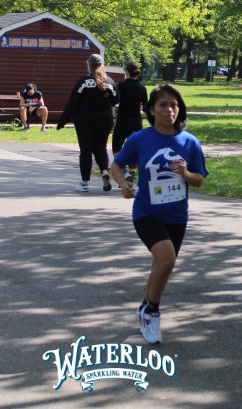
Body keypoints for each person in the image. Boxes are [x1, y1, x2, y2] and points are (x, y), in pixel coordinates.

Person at [110, 83, 207, 344]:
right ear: (151, 110)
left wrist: (186, 173)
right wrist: (123, 184)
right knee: (166, 259)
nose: (169, 110)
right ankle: (152, 312)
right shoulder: (140, 139)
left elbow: (199, 180)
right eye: (163, 105)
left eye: (174, 105)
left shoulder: (189, 142)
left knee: (161, 264)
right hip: (146, 212)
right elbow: (116, 165)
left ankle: (145, 306)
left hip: (177, 215)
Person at [58, 54, 119, 192]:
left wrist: (63, 121)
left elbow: (73, 101)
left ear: (89, 65)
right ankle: (104, 171)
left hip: (84, 120)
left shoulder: (83, 81)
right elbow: (116, 100)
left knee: (86, 150)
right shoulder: (109, 81)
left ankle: (84, 183)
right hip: (104, 119)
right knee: (101, 148)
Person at [113, 61, 149, 180]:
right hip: (136, 121)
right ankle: (132, 175)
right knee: (134, 148)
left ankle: (124, 171)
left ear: (127, 72)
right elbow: (145, 107)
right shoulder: (142, 87)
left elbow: (115, 101)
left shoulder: (121, 86)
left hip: (122, 120)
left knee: (116, 147)